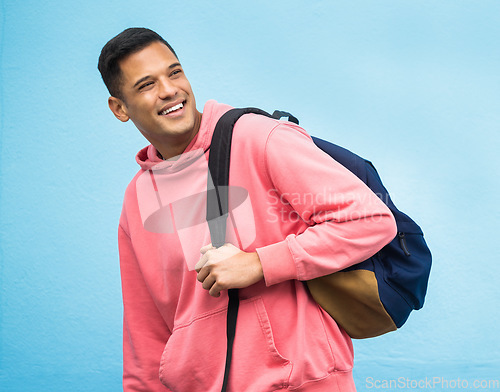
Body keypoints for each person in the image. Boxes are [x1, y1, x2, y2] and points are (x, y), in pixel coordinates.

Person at [98, 27, 397, 392]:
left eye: (174, 72)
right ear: (120, 108)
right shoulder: (137, 198)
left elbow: (370, 219)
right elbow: (145, 335)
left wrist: (259, 264)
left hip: (303, 382)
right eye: (146, 84)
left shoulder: (259, 138)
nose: (169, 90)